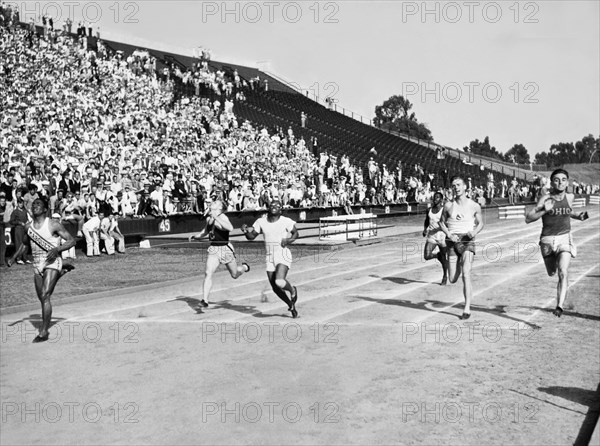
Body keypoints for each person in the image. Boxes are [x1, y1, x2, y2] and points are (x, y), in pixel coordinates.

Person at [6, 197, 76, 343]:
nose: (35, 206)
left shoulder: (53, 224)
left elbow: (71, 240)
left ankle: (44, 332)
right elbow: (25, 245)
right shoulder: (28, 227)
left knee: (45, 295)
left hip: (52, 261)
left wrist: (57, 249)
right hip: (37, 264)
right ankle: (61, 272)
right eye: (34, 204)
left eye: (39, 204)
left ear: (45, 209)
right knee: (42, 298)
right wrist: (13, 257)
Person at [525, 168, 589, 317]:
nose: (560, 183)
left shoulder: (570, 196)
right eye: (556, 180)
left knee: (563, 272)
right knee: (552, 272)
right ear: (552, 182)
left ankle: (559, 306)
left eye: (563, 180)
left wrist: (578, 216)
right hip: (547, 241)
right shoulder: (545, 198)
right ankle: (559, 298)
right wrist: (544, 211)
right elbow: (528, 218)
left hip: (564, 238)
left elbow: (568, 211)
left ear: (567, 182)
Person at [241, 199, 299, 318]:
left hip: (282, 254)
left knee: (279, 281)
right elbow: (251, 236)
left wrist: (288, 240)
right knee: (275, 287)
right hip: (269, 256)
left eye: (277, 205)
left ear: (281, 209)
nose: (274, 206)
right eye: (272, 205)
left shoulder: (286, 221)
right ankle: (290, 305)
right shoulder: (261, 221)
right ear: (268, 207)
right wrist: (246, 231)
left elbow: (296, 233)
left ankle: (292, 290)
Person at [188, 200, 249, 308]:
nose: (212, 203)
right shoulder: (208, 218)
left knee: (235, 274)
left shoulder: (223, 217)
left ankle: (244, 267)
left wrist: (216, 217)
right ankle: (205, 300)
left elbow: (230, 228)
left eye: (215, 202)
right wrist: (196, 236)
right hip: (214, 249)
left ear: (220, 207)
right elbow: (205, 232)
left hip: (225, 248)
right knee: (208, 273)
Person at [439, 176, 484, 319]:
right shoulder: (448, 206)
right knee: (452, 278)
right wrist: (448, 234)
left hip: (467, 241)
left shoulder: (474, 205)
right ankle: (458, 264)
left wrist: (474, 232)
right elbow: (441, 222)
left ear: (465, 187)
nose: (456, 188)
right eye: (453, 186)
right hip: (452, 242)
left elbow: (481, 223)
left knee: (466, 274)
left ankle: (467, 308)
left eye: (458, 185)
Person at [422, 191, 448, 285]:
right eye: (434, 197)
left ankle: (445, 276)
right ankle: (438, 256)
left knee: (444, 258)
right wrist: (425, 230)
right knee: (427, 256)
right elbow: (426, 221)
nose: (435, 199)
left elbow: (448, 223)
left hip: (442, 236)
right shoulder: (429, 210)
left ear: (441, 199)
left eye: (437, 197)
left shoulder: (444, 210)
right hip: (432, 235)